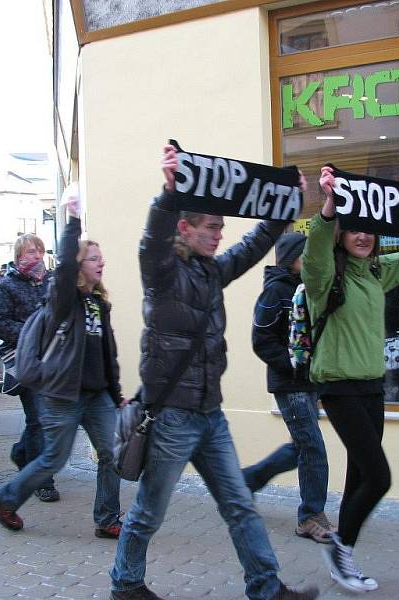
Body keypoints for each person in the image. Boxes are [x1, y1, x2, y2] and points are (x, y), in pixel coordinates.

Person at [109, 145, 318, 600]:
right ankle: (125, 584)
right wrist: (166, 195)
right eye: (212, 227)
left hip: (210, 414)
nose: (220, 235)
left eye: (222, 227)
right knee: (149, 511)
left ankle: (266, 588)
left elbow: (252, 246)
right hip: (171, 419)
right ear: (185, 227)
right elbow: (151, 240)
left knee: (240, 505)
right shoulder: (162, 273)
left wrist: (284, 208)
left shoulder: (210, 273)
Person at [306, 165, 399, 592]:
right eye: (355, 229)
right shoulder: (323, 277)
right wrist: (330, 206)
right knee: (380, 476)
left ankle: (341, 556)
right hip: (339, 387)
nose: (363, 236)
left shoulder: (375, 273)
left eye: (369, 230)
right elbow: (316, 246)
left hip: (372, 387)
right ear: (342, 234)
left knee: (359, 475)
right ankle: (341, 548)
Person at [0, 195, 125, 537]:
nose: (101, 262)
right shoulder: (65, 300)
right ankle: (8, 498)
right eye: (93, 258)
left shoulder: (98, 304)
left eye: (101, 257)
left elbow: (108, 353)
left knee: (113, 452)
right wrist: (73, 220)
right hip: (62, 394)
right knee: (54, 458)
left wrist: (116, 391)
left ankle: (107, 518)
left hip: (97, 396)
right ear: (78, 266)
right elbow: (63, 265)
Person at [242, 232, 333, 543]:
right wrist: (292, 363)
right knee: (313, 448)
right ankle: (310, 516)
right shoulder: (275, 293)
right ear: (292, 257)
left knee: (301, 447)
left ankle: (247, 481)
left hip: (310, 382)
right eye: (305, 255)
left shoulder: (309, 289)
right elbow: (261, 341)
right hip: (289, 383)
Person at [0, 233, 59, 502]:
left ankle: (22, 453)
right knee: (39, 418)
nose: (37, 256)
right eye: (31, 252)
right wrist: (32, 332)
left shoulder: (52, 282)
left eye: (40, 251)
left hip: (52, 357)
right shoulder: (6, 286)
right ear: (19, 255)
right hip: (24, 359)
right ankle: (43, 480)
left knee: (43, 419)